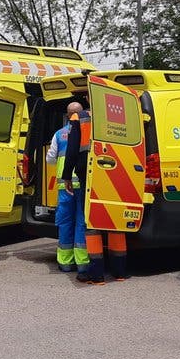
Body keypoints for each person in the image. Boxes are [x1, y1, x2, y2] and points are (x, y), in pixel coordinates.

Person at [61, 107, 128, 285]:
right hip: (117, 171)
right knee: (115, 221)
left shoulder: (79, 118)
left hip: (89, 172)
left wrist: (67, 175)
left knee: (91, 221)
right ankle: (119, 271)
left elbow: (72, 149)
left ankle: (96, 274)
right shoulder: (119, 115)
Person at [46, 102, 89, 274]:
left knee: (65, 223)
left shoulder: (59, 134)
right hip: (84, 184)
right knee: (81, 222)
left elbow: (50, 159)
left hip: (65, 187)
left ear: (67, 114)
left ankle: (65, 262)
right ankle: (83, 263)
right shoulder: (88, 132)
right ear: (81, 114)